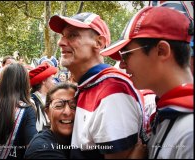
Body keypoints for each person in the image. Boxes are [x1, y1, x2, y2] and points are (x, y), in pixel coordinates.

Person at [49, 12, 147, 159]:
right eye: (62, 35)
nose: (60, 42)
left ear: (99, 43)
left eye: (72, 35)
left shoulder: (112, 92)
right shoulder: (90, 85)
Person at [101, 6, 193, 159]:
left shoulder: (189, 131)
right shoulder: (167, 113)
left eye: (126, 55)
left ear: (161, 51)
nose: (122, 65)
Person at [24, 82, 77, 159]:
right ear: (47, 112)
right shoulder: (41, 149)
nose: (67, 112)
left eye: (74, 106)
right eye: (59, 105)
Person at [29, 62, 58, 132]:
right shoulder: (32, 102)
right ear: (44, 81)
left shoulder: (52, 97)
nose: (54, 82)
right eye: (52, 79)